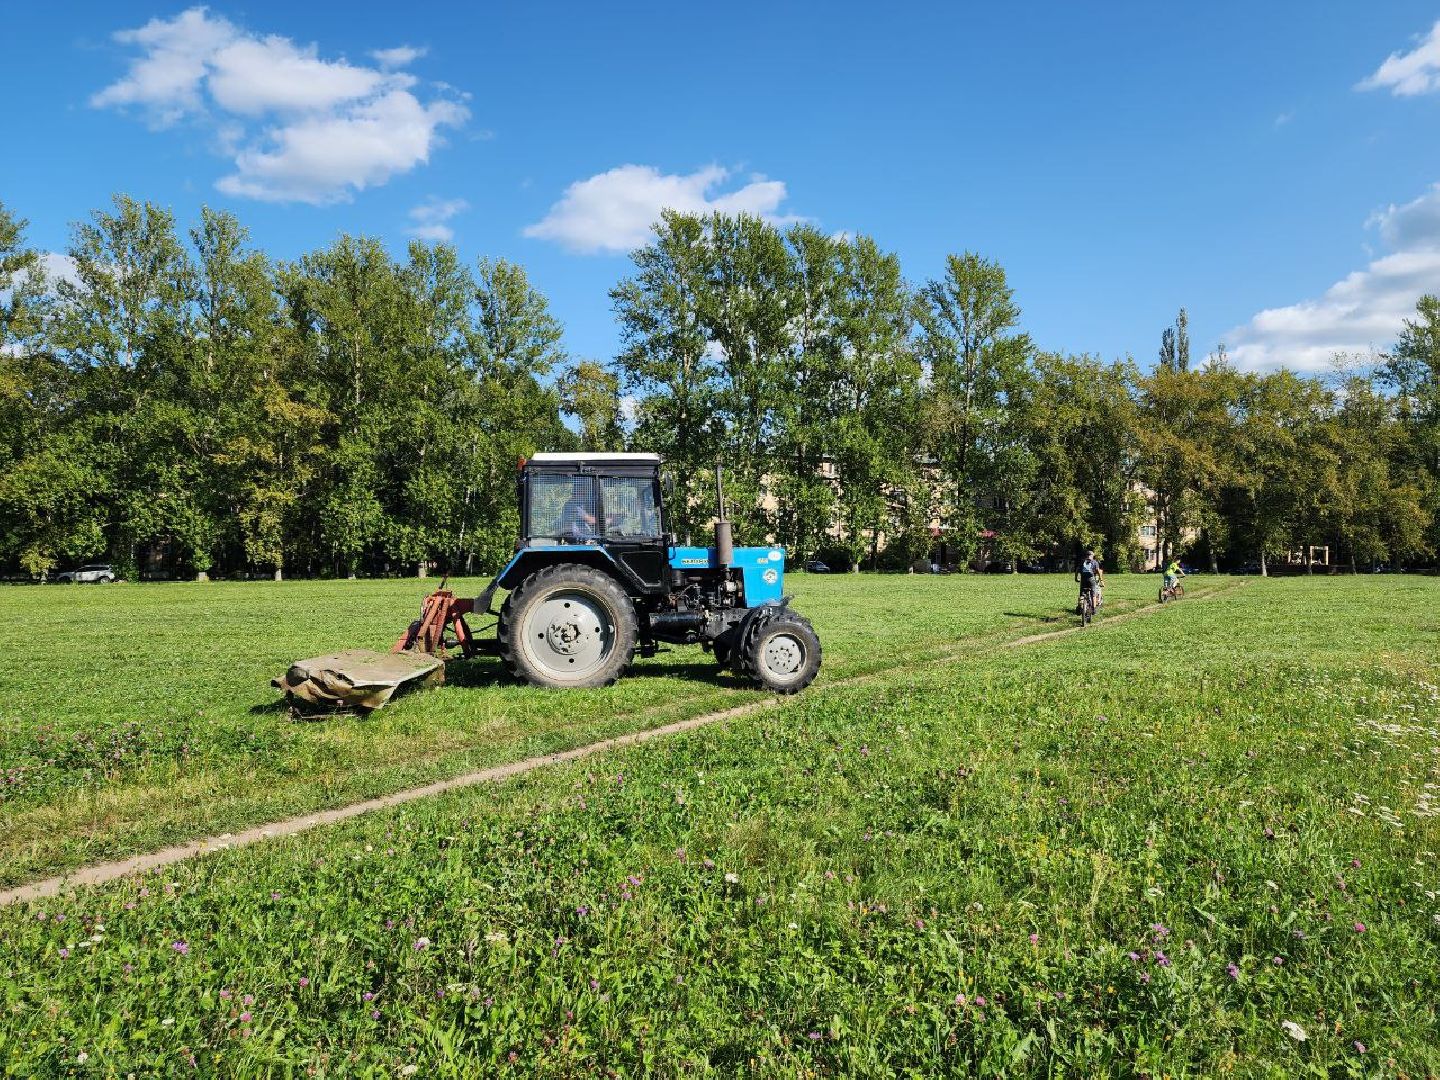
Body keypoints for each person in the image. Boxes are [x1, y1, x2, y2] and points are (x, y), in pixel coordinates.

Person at [1076, 550, 1103, 614]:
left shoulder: (1082, 562)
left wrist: (1076, 578)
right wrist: (1101, 579)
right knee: (1093, 594)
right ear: (1092, 556)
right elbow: (1098, 571)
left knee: (1082, 594)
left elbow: (1077, 570)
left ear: (1086, 555)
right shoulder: (1094, 562)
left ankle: (1080, 607)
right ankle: (1094, 609)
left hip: (1083, 580)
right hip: (1091, 580)